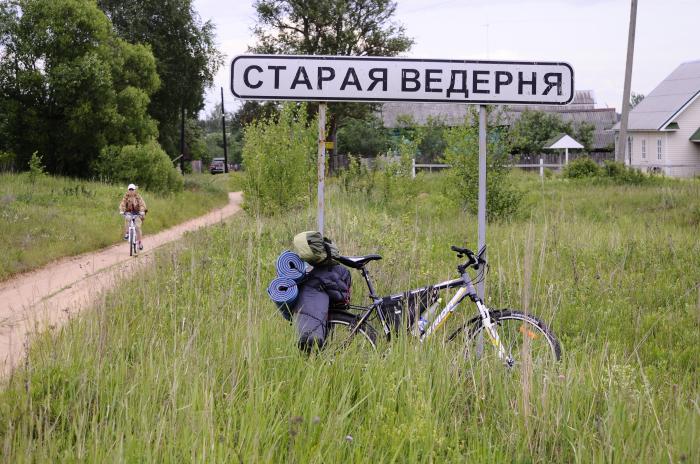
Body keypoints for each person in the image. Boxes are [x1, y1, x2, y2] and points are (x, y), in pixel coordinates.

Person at [119, 183, 147, 250]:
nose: (131, 191)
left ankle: (140, 242)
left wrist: (142, 211)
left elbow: (142, 204)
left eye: (132, 189)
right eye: (130, 189)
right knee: (127, 218)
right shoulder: (126, 196)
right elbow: (122, 203)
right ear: (128, 190)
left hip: (137, 213)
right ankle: (127, 233)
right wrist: (122, 210)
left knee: (137, 227)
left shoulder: (138, 197)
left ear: (135, 190)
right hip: (129, 212)